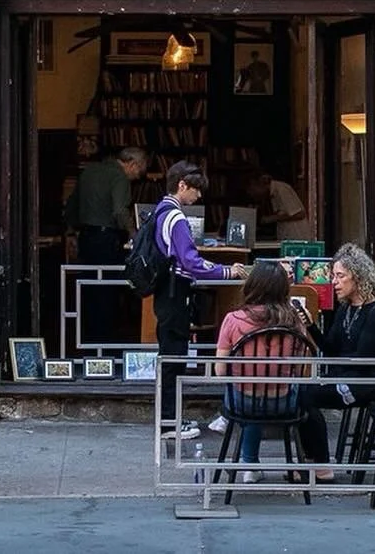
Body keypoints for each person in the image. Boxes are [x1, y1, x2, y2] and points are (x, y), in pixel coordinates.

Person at [152, 160, 248, 439]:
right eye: (196, 190)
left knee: (170, 354)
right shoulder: (176, 218)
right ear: (182, 185)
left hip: (164, 290)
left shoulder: (160, 210)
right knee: (174, 357)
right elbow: (191, 261)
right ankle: (170, 422)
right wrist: (226, 271)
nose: (199, 197)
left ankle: (168, 418)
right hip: (175, 291)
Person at [295, 242, 375, 476]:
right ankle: (311, 461)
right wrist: (311, 326)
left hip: (372, 382)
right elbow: (331, 349)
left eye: (340, 276)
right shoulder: (346, 308)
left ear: (358, 276)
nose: (334, 282)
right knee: (298, 391)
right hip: (351, 375)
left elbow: (363, 358)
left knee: (304, 396)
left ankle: (320, 465)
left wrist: (329, 376)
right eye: (333, 276)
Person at [214, 259, 310, 479]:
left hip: (242, 401)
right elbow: (302, 369)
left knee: (249, 401)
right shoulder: (294, 321)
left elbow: (220, 371)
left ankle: (249, 464)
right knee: (263, 391)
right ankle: (251, 465)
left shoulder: (233, 320)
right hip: (283, 401)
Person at [64, 145, 146, 343]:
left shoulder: (89, 171)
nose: (140, 175)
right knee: (107, 290)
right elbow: (119, 210)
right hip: (106, 239)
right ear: (132, 164)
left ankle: (86, 340)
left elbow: (72, 205)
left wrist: (71, 233)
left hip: (86, 237)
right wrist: (134, 234)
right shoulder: (119, 177)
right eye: (141, 169)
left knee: (89, 288)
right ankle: (105, 343)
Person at [248, 169, 311, 241]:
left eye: (252, 189)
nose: (252, 193)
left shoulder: (281, 190)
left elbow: (299, 214)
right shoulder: (272, 194)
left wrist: (269, 219)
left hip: (297, 238)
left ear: (259, 184)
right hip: (287, 239)